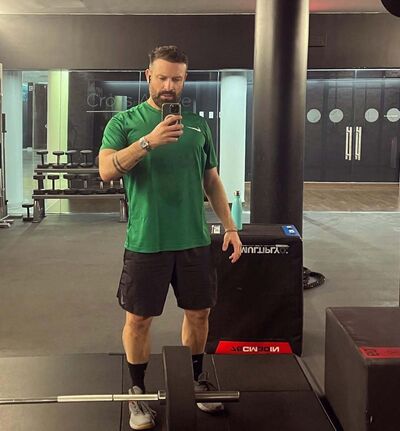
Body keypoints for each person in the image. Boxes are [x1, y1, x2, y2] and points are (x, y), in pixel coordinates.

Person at [99, 45, 242, 430]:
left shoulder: (197, 125)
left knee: (199, 314)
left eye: (176, 79)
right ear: (148, 75)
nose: (168, 85)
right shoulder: (125, 122)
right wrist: (148, 142)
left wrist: (230, 226)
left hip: (193, 239)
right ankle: (138, 391)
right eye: (162, 77)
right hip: (146, 240)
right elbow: (106, 171)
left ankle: (194, 380)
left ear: (184, 79)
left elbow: (211, 179)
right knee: (139, 319)